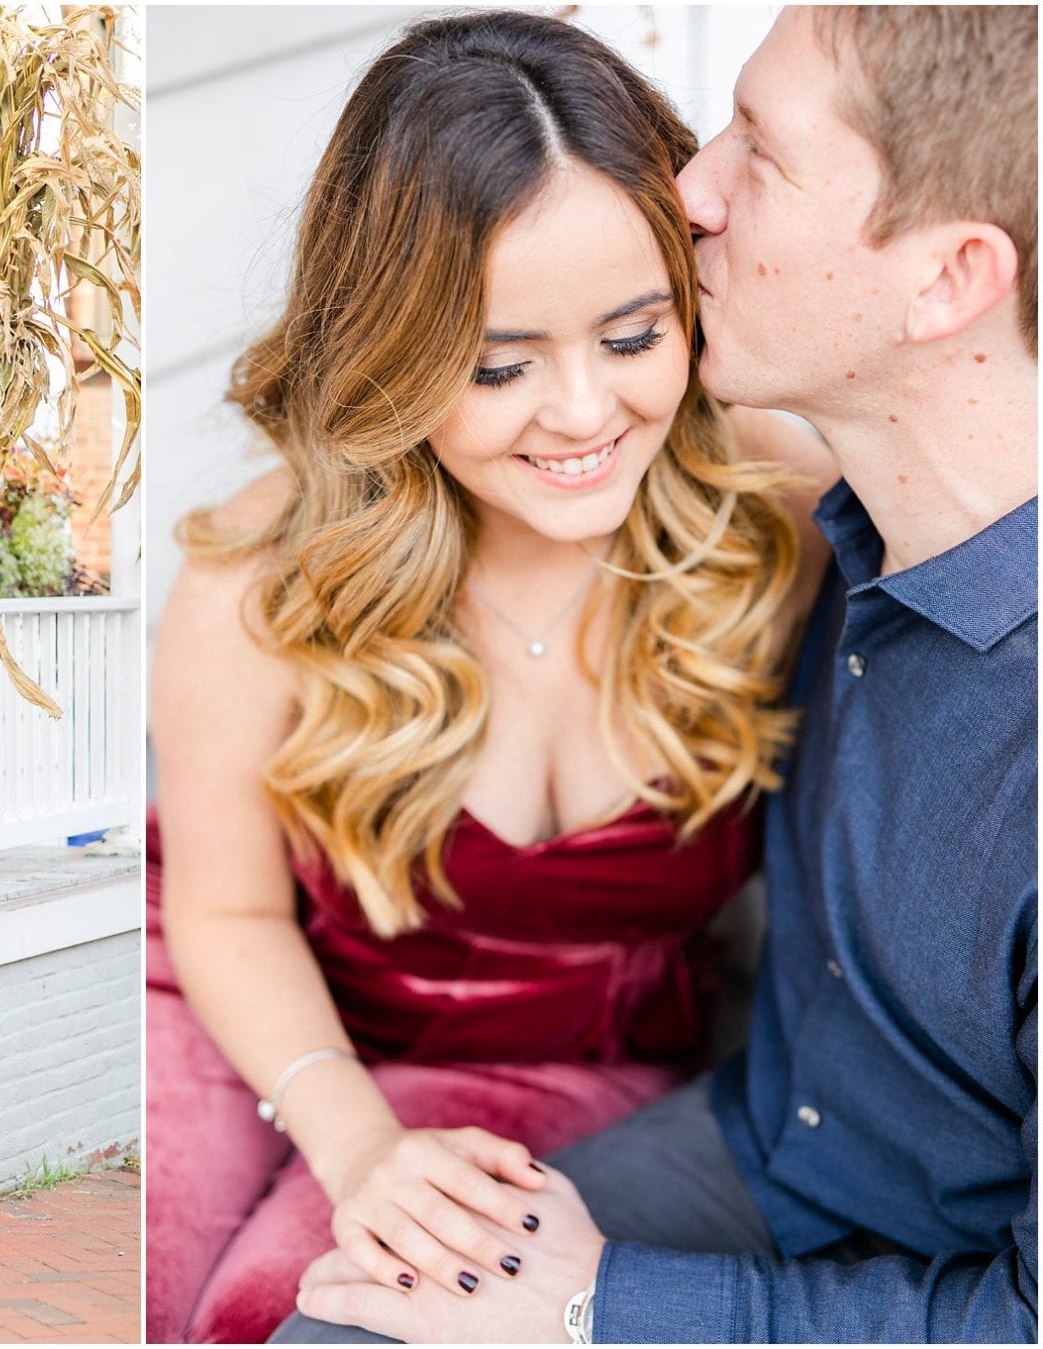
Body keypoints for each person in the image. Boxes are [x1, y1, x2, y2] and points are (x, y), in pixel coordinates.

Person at [282, 5, 1036, 1342]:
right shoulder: (833, 527)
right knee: (344, 1324)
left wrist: (600, 1305)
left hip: (953, 1294)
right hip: (769, 1160)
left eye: (763, 153)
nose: (688, 190)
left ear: (948, 278)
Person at [147, 10, 839, 1342]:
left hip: (576, 1067)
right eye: (498, 364)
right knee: (164, 1294)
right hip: (259, 1015)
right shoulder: (258, 572)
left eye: (634, 336)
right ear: (393, 357)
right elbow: (228, 916)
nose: (583, 415)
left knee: (287, 1313)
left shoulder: (785, 521)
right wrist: (354, 1144)